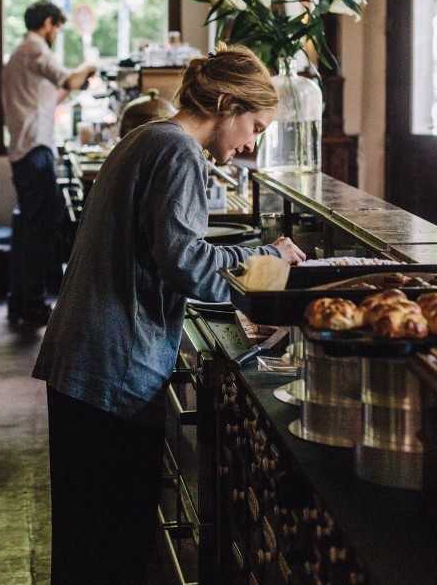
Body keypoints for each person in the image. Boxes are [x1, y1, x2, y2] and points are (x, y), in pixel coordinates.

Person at [33, 46, 306, 585]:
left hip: (85, 360)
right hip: (112, 366)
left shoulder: (147, 136)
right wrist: (268, 261)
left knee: (85, 544)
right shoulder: (178, 150)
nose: (252, 142)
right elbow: (188, 264)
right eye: (254, 125)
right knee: (113, 550)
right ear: (227, 104)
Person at [1, 0, 97, 327]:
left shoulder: (22, 53)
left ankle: (21, 302)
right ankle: (33, 305)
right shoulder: (35, 50)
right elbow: (68, 80)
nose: (57, 33)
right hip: (34, 152)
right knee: (40, 231)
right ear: (47, 23)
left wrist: (76, 82)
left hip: (27, 150)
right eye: (57, 27)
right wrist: (89, 66)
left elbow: (52, 96)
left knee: (30, 228)